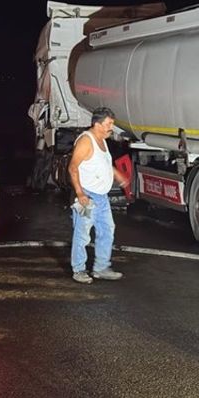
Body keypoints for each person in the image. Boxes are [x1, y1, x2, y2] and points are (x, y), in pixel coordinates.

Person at [68, 107, 131, 284]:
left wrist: (118, 175)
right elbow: (73, 168)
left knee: (107, 231)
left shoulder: (101, 140)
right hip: (87, 197)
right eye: (108, 124)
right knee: (82, 235)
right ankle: (79, 270)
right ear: (97, 124)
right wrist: (80, 194)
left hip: (101, 198)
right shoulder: (86, 141)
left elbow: (102, 164)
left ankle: (101, 268)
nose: (111, 127)